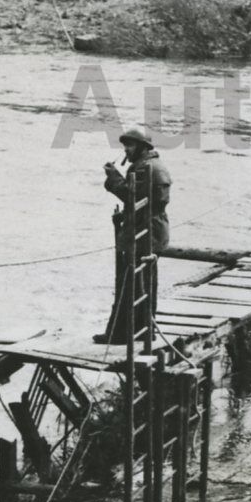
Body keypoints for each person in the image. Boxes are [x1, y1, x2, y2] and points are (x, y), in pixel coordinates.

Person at [94, 124, 172, 343]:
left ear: (142, 147)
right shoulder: (154, 165)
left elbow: (133, 198)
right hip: (153, 230)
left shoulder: (143, 168)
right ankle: (143, 331)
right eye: (125, 145)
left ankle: (119, 335)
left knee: (129, 284)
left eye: (130, 145)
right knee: (144, 284)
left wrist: (113, 178)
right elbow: (146, 202)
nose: (126, 149)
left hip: (145, 233)